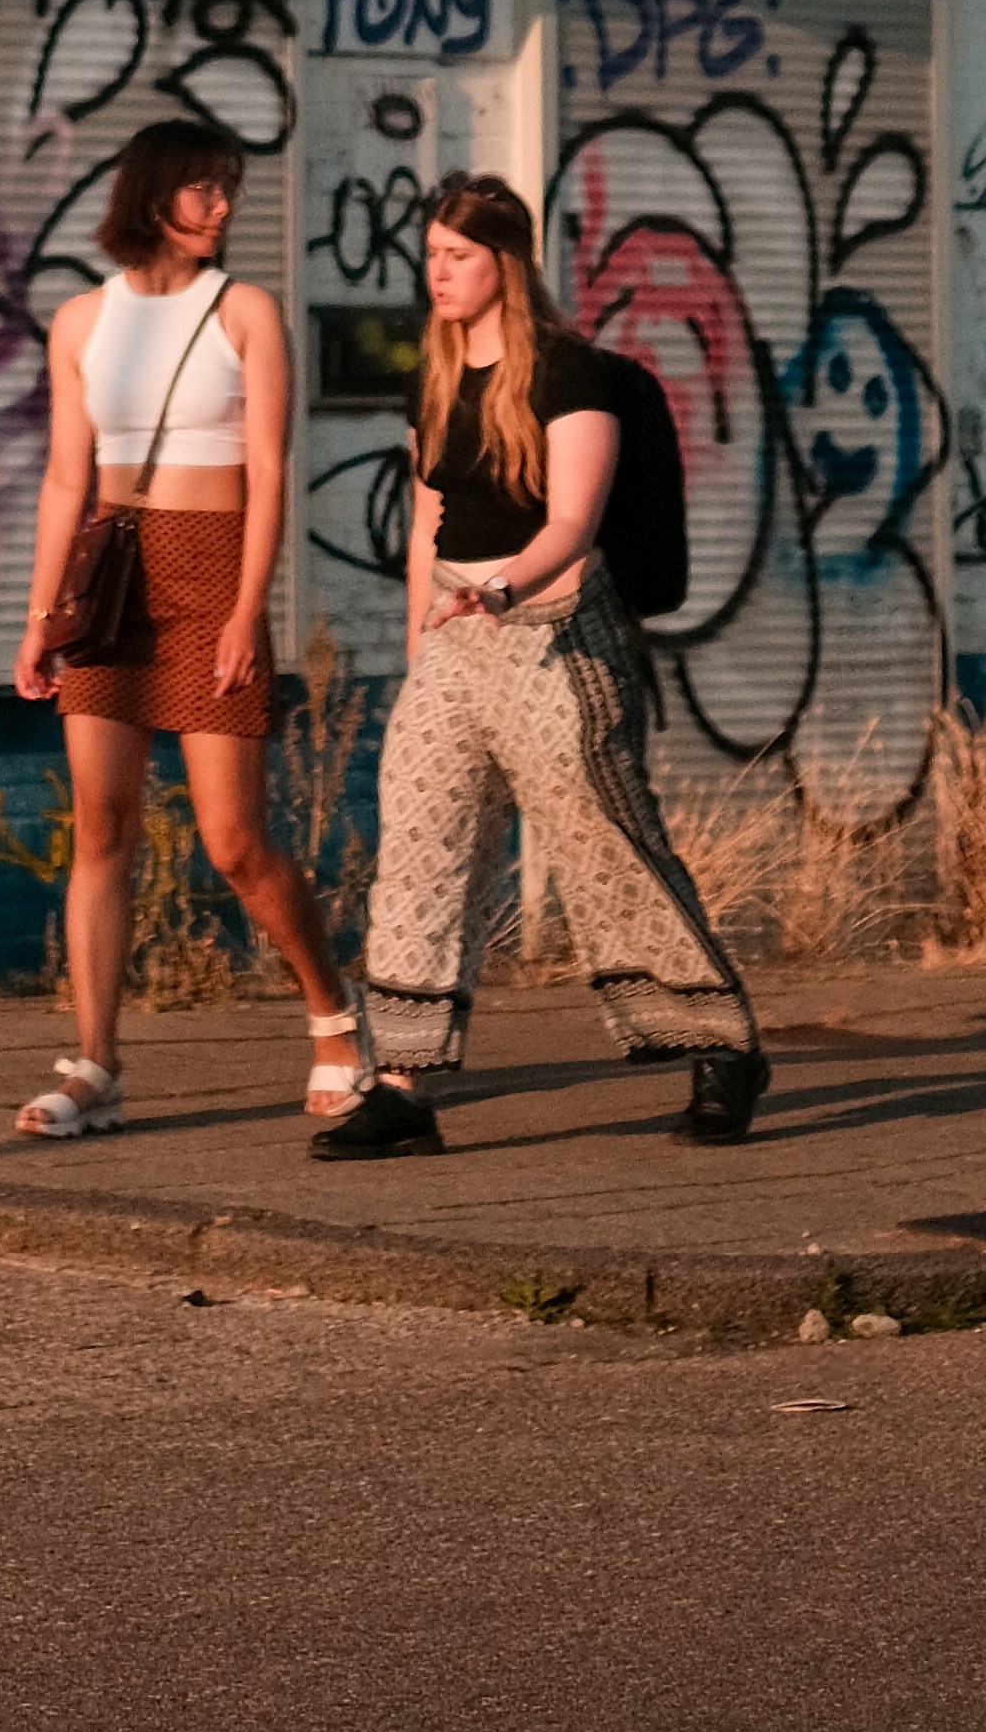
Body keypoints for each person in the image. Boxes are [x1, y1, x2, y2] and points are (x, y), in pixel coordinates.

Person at [317, 168, 768, 1158]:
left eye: (457, 256)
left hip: (558, 633)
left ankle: (722, 1048)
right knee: (422, 846)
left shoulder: (570, 374)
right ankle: (402, 1086)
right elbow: (427, 523)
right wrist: (421, 647)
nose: (437, 273)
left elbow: (572, 521)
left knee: (608, 849)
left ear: (505, 262)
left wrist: (502, 588)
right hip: (454, 641)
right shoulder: (434, 377)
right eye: (430, 255)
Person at [9, 117, 386, 1145]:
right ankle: (96, 1065)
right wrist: (39, 619)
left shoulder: (246, 311)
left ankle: (333, 1017)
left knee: (233, 842)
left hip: (212, 568)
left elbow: (267, 470)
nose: (223, 206)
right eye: (204, 188)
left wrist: (246, 608)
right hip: (111, 582)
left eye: (229, 188)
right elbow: (64, 478)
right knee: (100, 830)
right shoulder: (81, 321)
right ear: (152, 195)